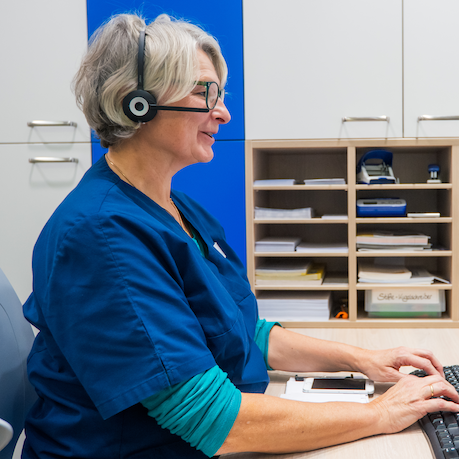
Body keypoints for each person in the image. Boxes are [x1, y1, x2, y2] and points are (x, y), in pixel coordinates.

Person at [22, 12, 459, 459]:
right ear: (138, 102)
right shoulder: (102, 235)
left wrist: (362, 360)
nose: (224, 113)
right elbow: (210, 418)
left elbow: (245, 330)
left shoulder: (174, 207)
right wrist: (380, 413)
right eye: (203, 92)